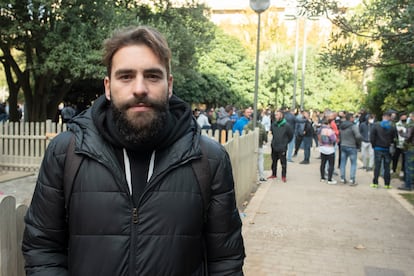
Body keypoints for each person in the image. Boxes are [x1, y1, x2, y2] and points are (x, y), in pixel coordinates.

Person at [22, 26, 245, 275]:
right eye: (126, 76)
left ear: (169, 85)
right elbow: (42, 249)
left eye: (152, 76)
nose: (139, 88)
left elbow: (226, 261)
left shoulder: (209, 159)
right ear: (108, 87)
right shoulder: (66, 153)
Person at [370, 111, 398, 189]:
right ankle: (387, 184)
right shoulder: (392, 126)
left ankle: (375, 183)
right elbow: (395, 138)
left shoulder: (376, 125)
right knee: (387, 167)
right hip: (387, 149)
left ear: (383, 116)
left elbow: (372, 137)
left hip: (377, 148)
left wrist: (373, 145)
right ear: (389, 117)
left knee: (377, 166)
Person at [268, 110, 293, 182]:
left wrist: (285, 142)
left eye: (277, 115)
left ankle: (283, 176)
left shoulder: (287, 125)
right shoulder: (273, 124)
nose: (276, 116)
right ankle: (274, 174)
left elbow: (290, 135)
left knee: (283, 162)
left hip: (282, 147)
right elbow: (272, 133)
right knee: (274, 161)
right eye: (275, 115)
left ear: (281, 115)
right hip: (274, 145)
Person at [339, 113, 362, 186]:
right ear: (351, 118)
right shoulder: (353, 126)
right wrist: (358, 143)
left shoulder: (342, 126)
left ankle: (342, 178)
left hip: (343, 145)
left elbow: (340, 135)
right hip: (352, 146)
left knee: (343, 162)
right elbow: (358, 136)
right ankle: (352, 179)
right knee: (353, 163)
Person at [318, 118, 337, 184]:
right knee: (331, 164)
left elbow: (318, 137)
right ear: (329, 124)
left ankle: (322, 177)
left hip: (322, 148)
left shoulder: (321, 130)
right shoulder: (330, 131)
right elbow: (333, 139)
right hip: (330, 148)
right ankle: (329, 179)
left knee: (323, 163)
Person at [398, 111, 414, 191]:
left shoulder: (411, 125)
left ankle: (408, 185)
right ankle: (411, 183)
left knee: (408, 167)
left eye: (410, 117)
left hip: (410, 148)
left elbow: (408, 136)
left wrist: (401, 134)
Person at [393, 112, 408, 176]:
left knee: (404, 158)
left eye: (405, 118)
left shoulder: (408, 124)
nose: (404, 119)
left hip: (405, 144)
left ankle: (402, 170)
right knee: (395, 157)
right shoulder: (397, 124)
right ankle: (393, 169)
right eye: (403, 118)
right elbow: (394, 134)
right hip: (398, 144)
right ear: (400, 117)